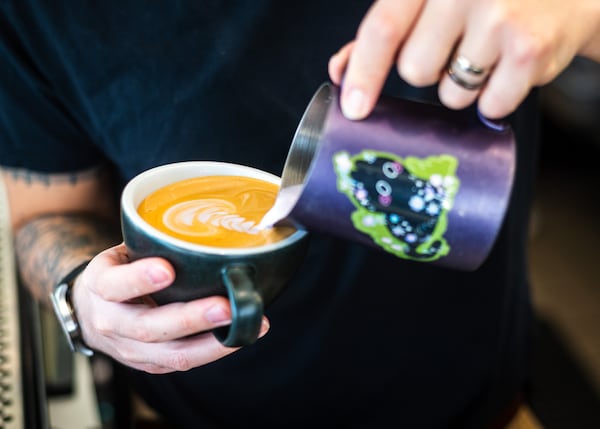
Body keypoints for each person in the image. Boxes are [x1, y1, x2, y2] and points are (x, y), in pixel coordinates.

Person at [0, 1, 598, 427]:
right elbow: (46, 216)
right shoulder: (34, 15)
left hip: (472, 406)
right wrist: (82, 294)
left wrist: (580, 14)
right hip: (187, 413)